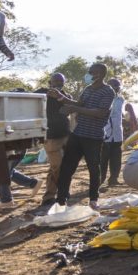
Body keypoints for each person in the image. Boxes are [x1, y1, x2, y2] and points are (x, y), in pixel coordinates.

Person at [53, 63, 116, 210]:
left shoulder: (108, 92)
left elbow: (100, 112)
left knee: (94, 168)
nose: (88, 74)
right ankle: (61, 199)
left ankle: (93, 198)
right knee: (67, 167)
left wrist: (74, 109)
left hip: (93, 136)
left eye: (91, 72)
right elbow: (79, 103)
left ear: (99, 74)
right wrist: (61, 98)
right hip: (78, 133)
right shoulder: (87, 89)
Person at [34, 73, 72, 209]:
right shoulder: (41, 93)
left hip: (66, 135)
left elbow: (68, 109)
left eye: (61, 81)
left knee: (61, 166)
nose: (58, 83)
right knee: (58, 166)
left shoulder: (66, 96)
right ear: (50, 82)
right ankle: (59, 192)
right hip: (50, 136)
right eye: (55, 81)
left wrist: (60, 97)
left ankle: (50, 196)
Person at [99, 78, 127, 187]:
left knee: (116, 157)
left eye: (117, 86)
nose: (116, 88)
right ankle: (100, 180)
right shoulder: (103, 98)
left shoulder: (120, 99)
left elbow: (119, 115)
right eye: (113, 86)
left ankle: (113, 179)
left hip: (117, 133)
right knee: (103, 158)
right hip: (105, 133)